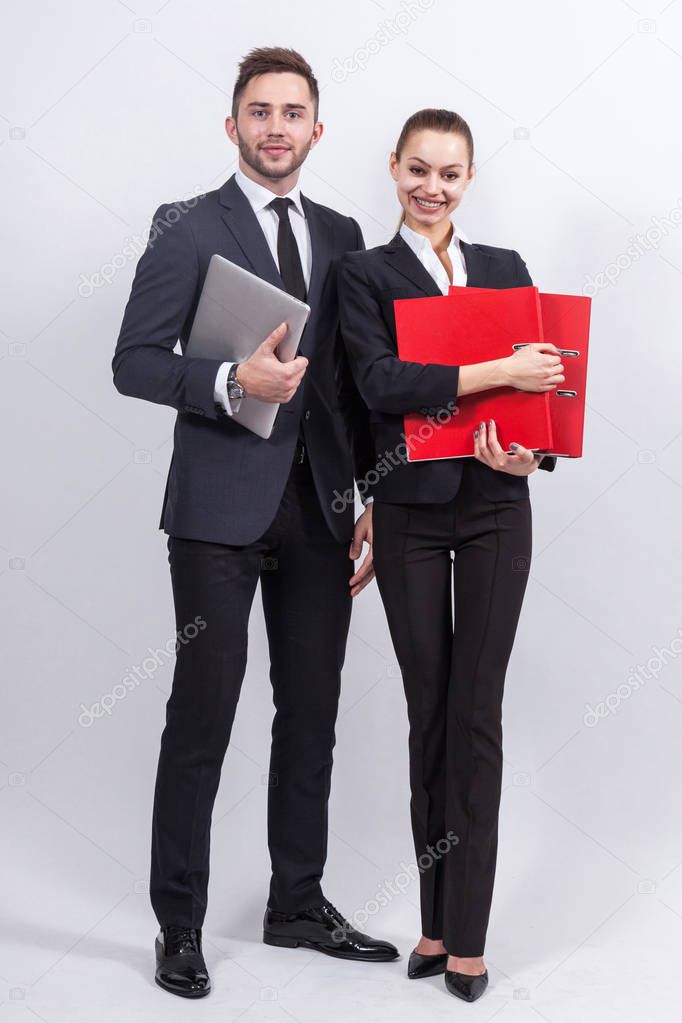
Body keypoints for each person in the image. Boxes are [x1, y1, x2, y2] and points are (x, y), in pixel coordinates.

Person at [112, 46, 397, 1000]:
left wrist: (365, 496)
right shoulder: (190, 228)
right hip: (218, 513)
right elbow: (135, 361)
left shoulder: (345, 232)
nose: (277, 127)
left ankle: (297, 901)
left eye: (294, 112)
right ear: (231, 125)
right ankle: (179, 924)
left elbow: (355, 386)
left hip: (319, 510)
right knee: (203, 714)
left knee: (310, 714)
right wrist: (233, 383)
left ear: (319, 129)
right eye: (259, 111)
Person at [337, 108, 563, 1004]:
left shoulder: (505, 270)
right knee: (427, 710)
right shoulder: (363, 272)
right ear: (393, 168)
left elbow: (548, 393)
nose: (433, 187)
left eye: (452, 173)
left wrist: (530, 451)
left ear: (470, 180)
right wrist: (497, 371)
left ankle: (466, 938)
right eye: (419, 169)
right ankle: (431, 922)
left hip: (498, 508)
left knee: (476, 712)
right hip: (410, 513)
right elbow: (376, 385)